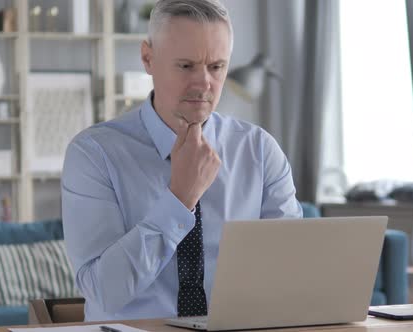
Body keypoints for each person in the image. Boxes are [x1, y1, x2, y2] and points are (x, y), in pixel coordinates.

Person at [61, 0, 302, 322]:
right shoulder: (93, 154)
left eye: (216, 67)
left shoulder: (259, 150)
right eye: (186, 66)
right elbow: (103, 290)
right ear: (148, 58)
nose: (203, 83)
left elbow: (293, 273)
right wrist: (180, 198)